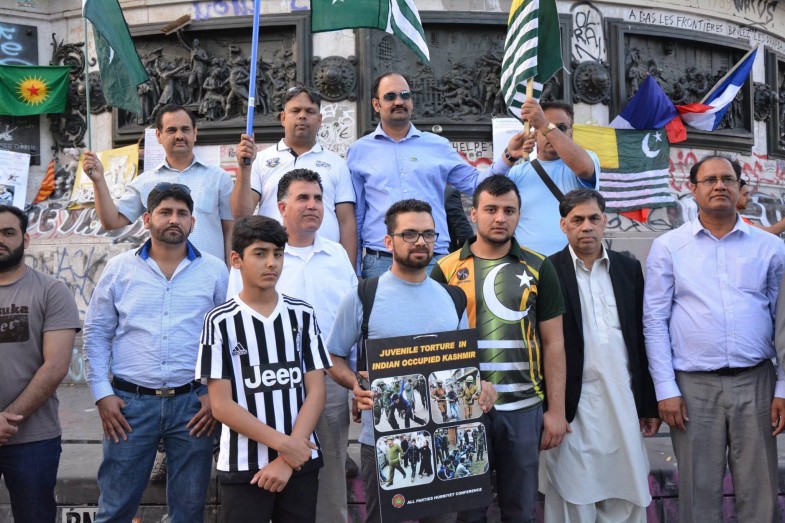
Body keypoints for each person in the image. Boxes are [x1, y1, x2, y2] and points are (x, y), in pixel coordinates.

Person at [325, 199, 498, 523]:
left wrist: (484, 387)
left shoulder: (452, 298)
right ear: (388, 241)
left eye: (428, 234)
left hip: (445, 442)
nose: (421, 241)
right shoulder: (364, 295)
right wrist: (356, 385)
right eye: (409, 234)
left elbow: (463, 367)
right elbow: (332, 355)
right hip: (382, 443)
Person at [645, 155, 785, 523]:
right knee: (698, 497)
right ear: (692, 189)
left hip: (757, 384)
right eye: (709, 180)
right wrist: (665, 389)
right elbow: (654, 321)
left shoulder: (770, 247)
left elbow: (783, 323)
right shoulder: (669, 246)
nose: (719, 185)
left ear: (740, 188)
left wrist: (782, 388)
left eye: (727, 178)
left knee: (760, 495)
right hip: (692, 389)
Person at [84, 184, 228, 522]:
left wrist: (215, 394)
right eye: (165, 212)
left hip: (193, 407)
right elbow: (96, 332)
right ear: (147, 219)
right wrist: (102, 394)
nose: (174, 219)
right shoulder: (120, 269)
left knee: (189, 510)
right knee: (116, 508)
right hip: (129, 407)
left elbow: (226, 337)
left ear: (192, 222)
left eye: (182, 213)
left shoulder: (215, 270)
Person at [431, 175, 569, 523]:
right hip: (464, 412)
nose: (500, 218)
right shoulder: (446, 269)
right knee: (467, 514)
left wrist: (556, 411)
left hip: (524, 410)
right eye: (491, 209)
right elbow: (434, 345)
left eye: (509, 210)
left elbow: (554, 343)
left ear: (519, 215)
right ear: (474, 213)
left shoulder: (539, 267)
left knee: (521, 511)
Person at [198, 216, 330, 523]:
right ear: (236, 260)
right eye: (260, 253)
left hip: (301, 462)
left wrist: (288, 458)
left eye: (277, 254)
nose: (271, 263)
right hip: (245, 465)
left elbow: (316, 391)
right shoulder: (219, 321)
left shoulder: (302, 314)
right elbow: (221, 405)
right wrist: (286, 447)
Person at [544, 189, 660, 522]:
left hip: (622, 399)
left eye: (594, 218)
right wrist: (551, 410)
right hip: (573, 405)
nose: (587, 226)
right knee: (574, 492)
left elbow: (641, 338)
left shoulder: (627, 268)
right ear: (564, 225)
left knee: (628, 488)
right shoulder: (547, 270)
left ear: (605, 221)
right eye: (577, 220)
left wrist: (649, 405)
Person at [348, 72, 528, 278]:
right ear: (376, 104)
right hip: (381, 261)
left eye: (405, 95)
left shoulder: (438, 145)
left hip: (433, 260)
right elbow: (357, 214)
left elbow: (475, 184)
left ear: (411, 102)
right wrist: (355, 269)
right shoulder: (359, 151)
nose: (399, 101)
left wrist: (508, 156)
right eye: (390, 96)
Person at [259, 168, 356, 521]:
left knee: (331, 478)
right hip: (271, 384)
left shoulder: (337, 255)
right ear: (281, 207)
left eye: (318, 198)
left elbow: (353, 321)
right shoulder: (262, 256)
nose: (313, 205)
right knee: (271, 474)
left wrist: (355, 380)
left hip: (329, 383)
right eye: (303, 198)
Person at [0, 205, 80, 522]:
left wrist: (8, 419)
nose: (1, 239)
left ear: (26, 239)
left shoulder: (51, 291)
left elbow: (56, 366)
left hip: (33, 439)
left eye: (8, 232)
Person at [83, 105, 234, 262]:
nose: (179, 136)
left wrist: (231, 274)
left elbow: (230, 231)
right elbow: (112, 221)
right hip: (161, 275)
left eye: (185, 129)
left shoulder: (219, 178)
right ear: (158, 135)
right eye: (171, 130)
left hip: (208, 274)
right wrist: (98, 181)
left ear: (195, 133)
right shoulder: (145, 182)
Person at [233, 84, 357, 269]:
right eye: (295, 110)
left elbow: (346, 222)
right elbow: (241, 214)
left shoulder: (337, 164)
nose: (302, 116)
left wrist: (349, 271)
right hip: (273, 263)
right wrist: (244, 169)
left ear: (320, 120)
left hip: (324, 262)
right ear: (283, 118)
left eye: (310, 111)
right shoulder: (260, 160)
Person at [507, 99, 600, 256]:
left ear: (571, 133)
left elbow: (584, 168)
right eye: (544, 127)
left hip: (574, 264)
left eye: (561, 128)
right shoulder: (517, 173)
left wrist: (544, 124)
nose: (550, 132)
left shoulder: (588, 158)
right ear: (535, 133)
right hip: (529, 265)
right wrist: (508, 156)